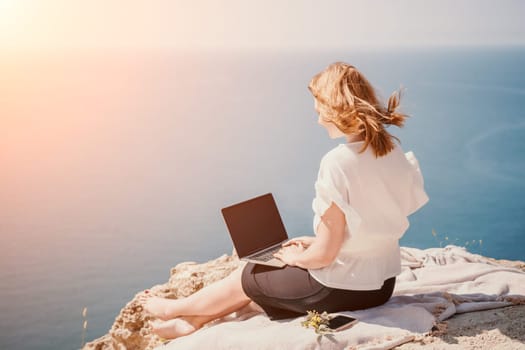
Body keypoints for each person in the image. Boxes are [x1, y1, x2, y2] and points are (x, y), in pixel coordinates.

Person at [144, 61, 430, 339]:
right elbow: (373, 220)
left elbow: (324, 257)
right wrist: (316, 240)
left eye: (321, 111)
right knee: (268, 271)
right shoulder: (391, 150)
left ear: (338, 110)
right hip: (381, 285)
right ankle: (192, 321)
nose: (318, 120)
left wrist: (300, 257)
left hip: (341, 288)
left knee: (250, 275)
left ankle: (175, 309)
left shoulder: (337, 163)